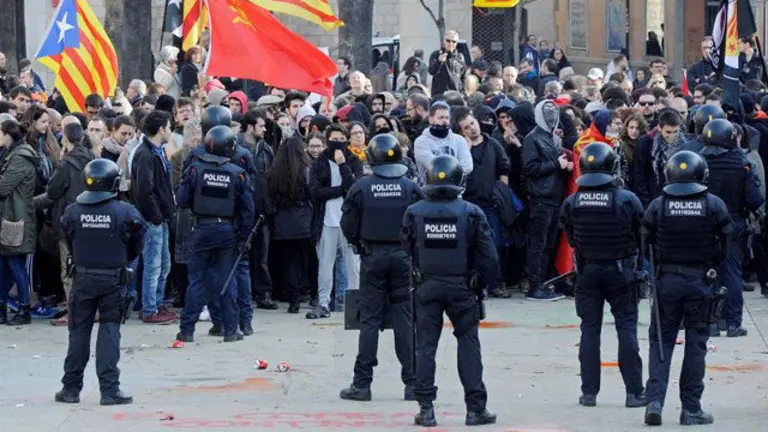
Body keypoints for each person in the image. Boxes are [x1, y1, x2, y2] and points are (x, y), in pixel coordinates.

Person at [401, 155, 498, 427]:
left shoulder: (415, 211)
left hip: (427, 285)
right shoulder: (471, 212)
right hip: (462, 286)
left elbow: (406, 246)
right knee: (468, 343)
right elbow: (489, 256)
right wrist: (483, 283)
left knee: (426, 346)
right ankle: (475, 408)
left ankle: (426, 408)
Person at [642, 150, 733, 426]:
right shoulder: (713, 204)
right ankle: (691, 409)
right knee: (696, 344)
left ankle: (654, 401)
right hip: (700, 281)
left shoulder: (658, 204)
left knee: (661, 342)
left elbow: (645, 240)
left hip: (667, 280)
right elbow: (727, 240)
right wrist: (713, 265)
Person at [338, 134, 424, 402]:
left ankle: (362, 384)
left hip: (372, 256)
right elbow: (420, 224)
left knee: (370, 320)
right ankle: (413, 384)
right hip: (402, 258)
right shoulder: (410, 187)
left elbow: (347, 224)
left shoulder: (361, 187)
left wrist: (357, 244)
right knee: (404, 319)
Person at [559, 143, 645, 408]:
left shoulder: (573, 201)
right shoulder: (627, 199)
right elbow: (641, 234)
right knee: (626, 329)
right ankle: (633, 393)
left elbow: (571, 236)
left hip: (588, 271)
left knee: (589, 331)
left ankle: (589, 393)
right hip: (621, 271)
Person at [54, 159, 146, 406]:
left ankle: (70, 389)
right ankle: (109, 390)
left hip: (82, 278)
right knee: (109, 331)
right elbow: (137, 244)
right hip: (113, 279)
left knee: (78, 333)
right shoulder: (126, 212)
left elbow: (67, 237)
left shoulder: (73, 211)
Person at [175, 125, 255, 343]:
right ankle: (230, 330)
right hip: (227, 231)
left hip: (201, 228)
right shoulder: (237, 173)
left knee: (197, 281)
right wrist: (244, 238)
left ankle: (187, 330)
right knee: (227, 280)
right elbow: (248, 211)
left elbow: (181, 201)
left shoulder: (194, 169)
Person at [698, 119, 764, 337]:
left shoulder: (698, 161)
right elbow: (755, 199)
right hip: (733, 223)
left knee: (707, 274)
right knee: (732, 273)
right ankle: (733, 322)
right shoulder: (741, 163)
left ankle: (711, 322)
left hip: (704, 224)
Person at [47, 123, 96, 326]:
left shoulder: (67, 163)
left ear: (65, 139)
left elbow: (52, 191)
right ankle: (93, 310)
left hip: (69, 223)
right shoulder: (93, 159)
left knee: (68, 270)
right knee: (89, 268)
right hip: (92, 220)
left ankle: (74, 312)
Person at [0, 119, 39, 325]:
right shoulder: (12, 154)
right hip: (10, 217)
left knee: (15, 263)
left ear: (6, 134)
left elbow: (3, 187)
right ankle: (2, 307)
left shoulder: (20, 157)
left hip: (16, 219)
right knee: (4, 264)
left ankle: (24, 308)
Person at [428, 30, 466, 96]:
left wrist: (463, 93)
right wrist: (439, 61)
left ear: (457, 43)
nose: (451, 44)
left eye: (454, 41)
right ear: (444, 41)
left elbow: (463, 77)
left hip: (456, 95)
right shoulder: (436, 54)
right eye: (448, 40)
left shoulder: (460, 57)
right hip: (440, 95)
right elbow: (431, 71)